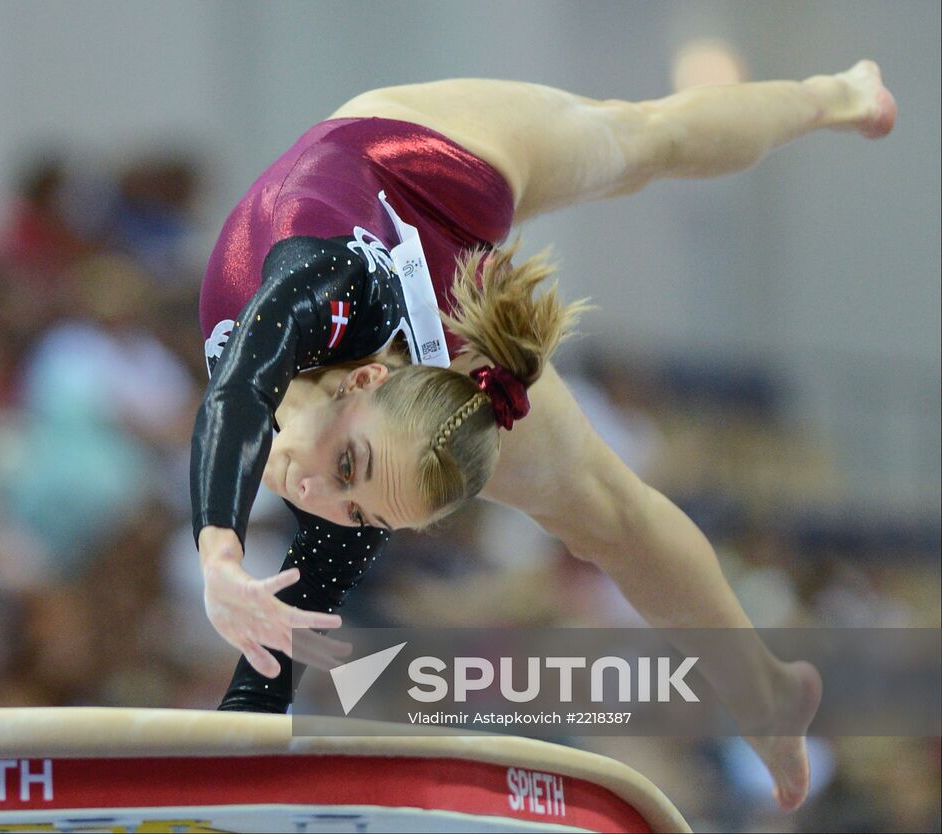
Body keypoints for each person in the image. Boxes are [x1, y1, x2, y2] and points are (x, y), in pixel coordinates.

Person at [190, 60, 895, 811]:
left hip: (436, 241)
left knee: (645, 141)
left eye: (357, 501)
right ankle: (769, 688)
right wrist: (223, 565)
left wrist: (240, 675)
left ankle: (837, 95)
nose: (315, 492)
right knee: (604, 511)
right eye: (349, 472)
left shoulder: (367, 466)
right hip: (405, 160)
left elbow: (302, 571)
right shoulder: (319, 288)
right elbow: (237, 394)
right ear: (361, 381)